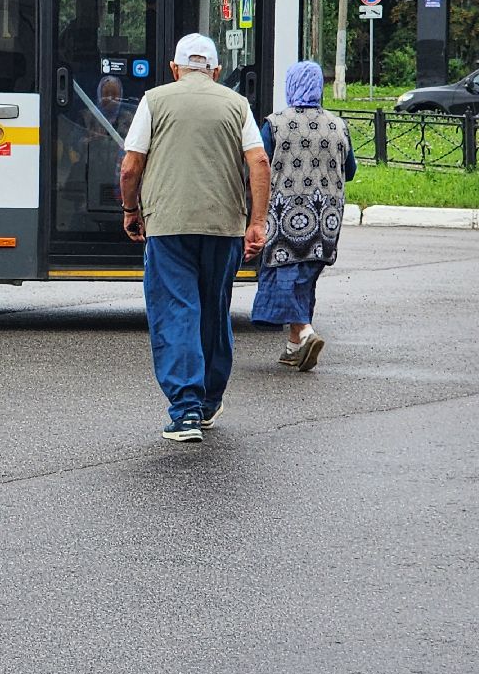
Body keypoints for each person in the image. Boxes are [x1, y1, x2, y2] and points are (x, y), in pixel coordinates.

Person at [119, 32, 271, 443]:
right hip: (224, 227)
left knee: (176, 309)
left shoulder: (154, 100)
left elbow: (131, 166)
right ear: (217, 71)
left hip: (168, 224)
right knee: (213, 308)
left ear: (174, 68)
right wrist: (256, 222)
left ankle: (185, 411)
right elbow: (258, 160)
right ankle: (208, 403)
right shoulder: (237, 104)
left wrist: (131, 210)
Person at [251, 60, 356, 371]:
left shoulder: (275, 124)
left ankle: (305, 331)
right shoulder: (338, 125)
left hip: (286, 214)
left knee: (285, 273)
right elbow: (349, 170)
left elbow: (259, 164)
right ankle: (294, 345)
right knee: (306, 275)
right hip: (327, 215)